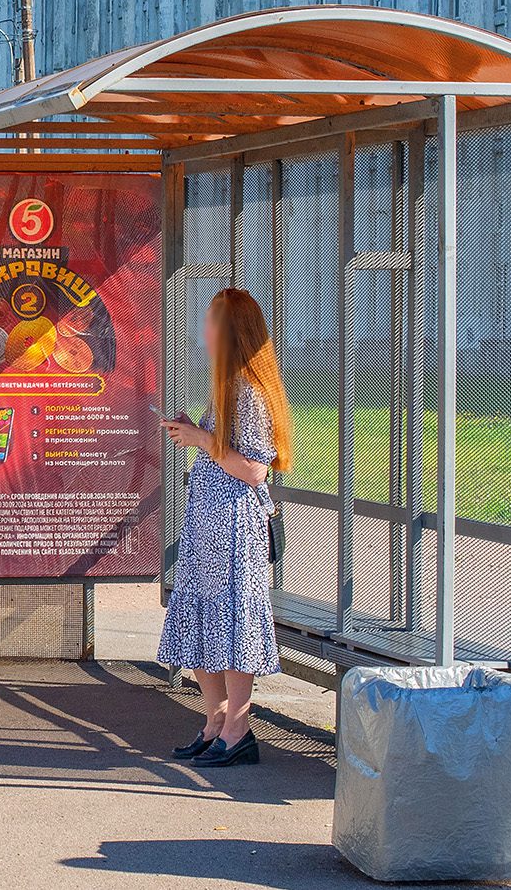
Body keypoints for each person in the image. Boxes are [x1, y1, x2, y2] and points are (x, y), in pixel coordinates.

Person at [157, 288, 292, 769]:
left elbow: (256, 469)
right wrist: (198, 432)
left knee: (232, 623)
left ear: (232, 332)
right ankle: (214, 721)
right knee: (200, 617)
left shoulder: (248, 392)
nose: (204, 330)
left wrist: (198, 438)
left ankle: (238, 728)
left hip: (235, 530)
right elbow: (224, 450)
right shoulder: (227, 386)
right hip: (209, 528)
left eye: (212, 322)